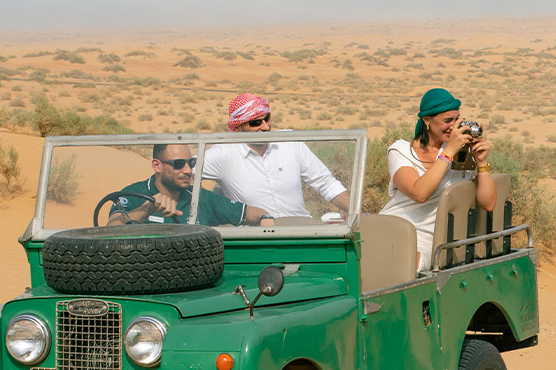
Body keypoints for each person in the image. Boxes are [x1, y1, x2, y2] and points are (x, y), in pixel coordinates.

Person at [380, 87, 497, 266]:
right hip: (392, 229)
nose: (453, 125)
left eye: (457, 119)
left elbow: (488, 203)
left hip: (430, 243)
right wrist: (449, 151)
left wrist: (481, 163)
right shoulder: (401, 151)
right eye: (447, 120)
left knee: (404, 263)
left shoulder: (461, 153)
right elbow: (419, 193)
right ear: (427, 120)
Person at [200, 94, 351, 219]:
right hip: (253, 236)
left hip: (302, 230)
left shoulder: (289, 142)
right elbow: (181, 171)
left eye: (267, 118)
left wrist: (359, 213)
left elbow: (325, 183)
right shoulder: (224, 153)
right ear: (238, 128)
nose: (265, 127)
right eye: (256, 123)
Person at [109, 144, 270, 226]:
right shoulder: (133, 194)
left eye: (191, 162)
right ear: (157, 166)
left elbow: (248, 212)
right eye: (178, 164)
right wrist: (147, 209)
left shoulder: (200, 198)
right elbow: (112, 228)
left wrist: (265, 218)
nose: (188, 170)